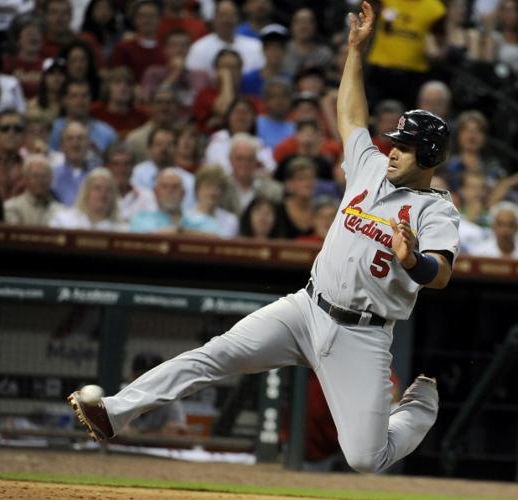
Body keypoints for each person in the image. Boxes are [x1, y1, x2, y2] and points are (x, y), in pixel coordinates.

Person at [67, 3, 461, 475]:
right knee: (215, 354)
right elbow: (351, 116)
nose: (392, 150)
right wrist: (356, 51)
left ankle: (419, 408)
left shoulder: (435, 209)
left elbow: (440, 275)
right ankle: (113, 413)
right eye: (394, 141)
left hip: (362, 333)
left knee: (364, 458)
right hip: (306, 307)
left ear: (430, 155)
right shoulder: (371, 166)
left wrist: (414, 260)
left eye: (405, 146)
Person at [50, 167, 124, 230]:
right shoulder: (63, 221)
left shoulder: (120, 229)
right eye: (97, 188)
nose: (103, 194)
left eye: (108, 189)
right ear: (86, 192)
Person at [4, 154, 63, 225]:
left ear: (51, 180)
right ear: (25, 179)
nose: (40, 181)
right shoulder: (12, 208)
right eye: (35, 176)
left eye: (44, 176)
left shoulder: (60, 211)